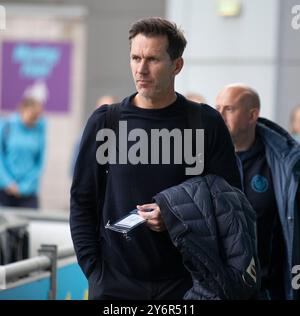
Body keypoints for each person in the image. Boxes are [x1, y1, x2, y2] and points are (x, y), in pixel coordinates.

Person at [70, 17, 242, 300]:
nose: (141, 69)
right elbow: (81, 201)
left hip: (187, 284)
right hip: (115, 284)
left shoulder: (205, 122)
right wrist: (94, 271)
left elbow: (230, 204)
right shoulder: (106, 122)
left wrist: (177, 217)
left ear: (177, 65)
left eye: (152, 59)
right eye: (135, 58)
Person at [215, 83, 300, 300]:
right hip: (221, 288)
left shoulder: (284, 163)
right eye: (217, 109)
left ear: (252, 115)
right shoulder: (206, 160)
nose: (220, 115)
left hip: (271, 288)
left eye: (229, 109)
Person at [0, 94, 46, 208]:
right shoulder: (7, 126)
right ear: (23, 109)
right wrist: (8, 182)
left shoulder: (40, 129)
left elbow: (39, 163)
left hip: (28, 193)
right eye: (32, 115)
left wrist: (23, 187)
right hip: (6, 191)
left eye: (37, 117)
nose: (34, 120)